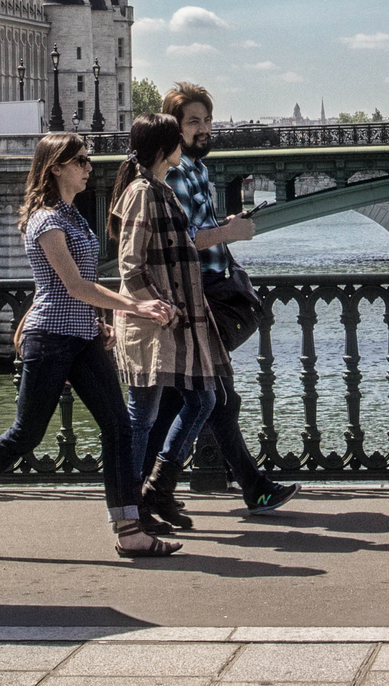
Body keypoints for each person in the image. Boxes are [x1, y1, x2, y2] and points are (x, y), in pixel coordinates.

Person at [0, 133, 181, 561]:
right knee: (25, 434)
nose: (89, 167)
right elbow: (73, 285)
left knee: (119, 427)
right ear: (56, 167)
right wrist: (135, 306)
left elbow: (84, 287)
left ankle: (128, 530)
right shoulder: (46, 220)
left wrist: (100, 321)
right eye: (81, 160)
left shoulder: (73, 216)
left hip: (81, 336)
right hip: (50, 338)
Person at [137, 83, 300, 525]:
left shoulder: (196, 170)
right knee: (214, 397)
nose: (205, 128)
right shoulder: (173, 173)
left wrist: (224, 225)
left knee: (186, 400)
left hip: (202, 293)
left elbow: (198, 229)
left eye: (207, 120)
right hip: (195, 297)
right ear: (175, 126)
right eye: (194, 121)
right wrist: (228, 234)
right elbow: (180, 241)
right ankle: (158, 491)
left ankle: (145, 492)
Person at [109, 113, 244, 535]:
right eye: (178, 142)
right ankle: (134, 503)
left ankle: (157, 488)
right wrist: (156, 304)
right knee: (144, 416)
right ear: (166, 147)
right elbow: (129, 265)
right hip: (154, 325)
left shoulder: (160, 189)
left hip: (180, 322)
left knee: (202, 399)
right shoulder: (141, 193)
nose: (184, 147)